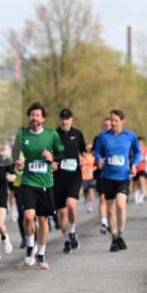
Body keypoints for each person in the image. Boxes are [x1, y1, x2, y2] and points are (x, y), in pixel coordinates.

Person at [12, 102, 63, 269]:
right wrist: (18, 163)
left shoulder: (51, 134)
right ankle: (29, 246)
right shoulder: (22, 134)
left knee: (43, 219)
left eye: (37, 115)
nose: (34, 118)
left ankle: (41, 253)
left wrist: (52, 158)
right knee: (28, 216)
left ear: (43, 118)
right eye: (32, 115)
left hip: (46, 183)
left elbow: (61, 153)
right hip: (28, 182)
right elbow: (15, 156)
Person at [93, 109, 141, 252]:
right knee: (111, 209)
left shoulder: (130, 136)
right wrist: (98, 159)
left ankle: (120, 233)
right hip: (107, 176)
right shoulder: (103, 136)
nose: (112, 123)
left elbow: (138, 152)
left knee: (120, 205)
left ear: (122, 121)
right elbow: (97, 151)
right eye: (111, 120)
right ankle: (114, 238)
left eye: (115, 120)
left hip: (123, 176)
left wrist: (135, 165)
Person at [54, 108, 85, 253]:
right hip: (58, 177)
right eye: (62, 118)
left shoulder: (78, 134)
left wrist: (83, 159)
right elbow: (48, 153)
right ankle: (66, 239)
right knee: (61, 212)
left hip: (74, 176)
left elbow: (83, 152)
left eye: (67, 119)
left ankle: (72, 231)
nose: (64, 121)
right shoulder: (53, 135)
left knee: (71, 204)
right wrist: (52, 162)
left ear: (71, 120)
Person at [81, 142, 97, 213]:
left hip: (91, 176)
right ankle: (87, 201)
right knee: (86, 192)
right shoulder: (82, 156)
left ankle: (90, 205)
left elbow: (96, 165)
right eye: (88, 148)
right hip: (84, 176)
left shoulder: (93, 156)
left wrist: (93, 169)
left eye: (90, 148)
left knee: (91, 190)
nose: (89, 149)